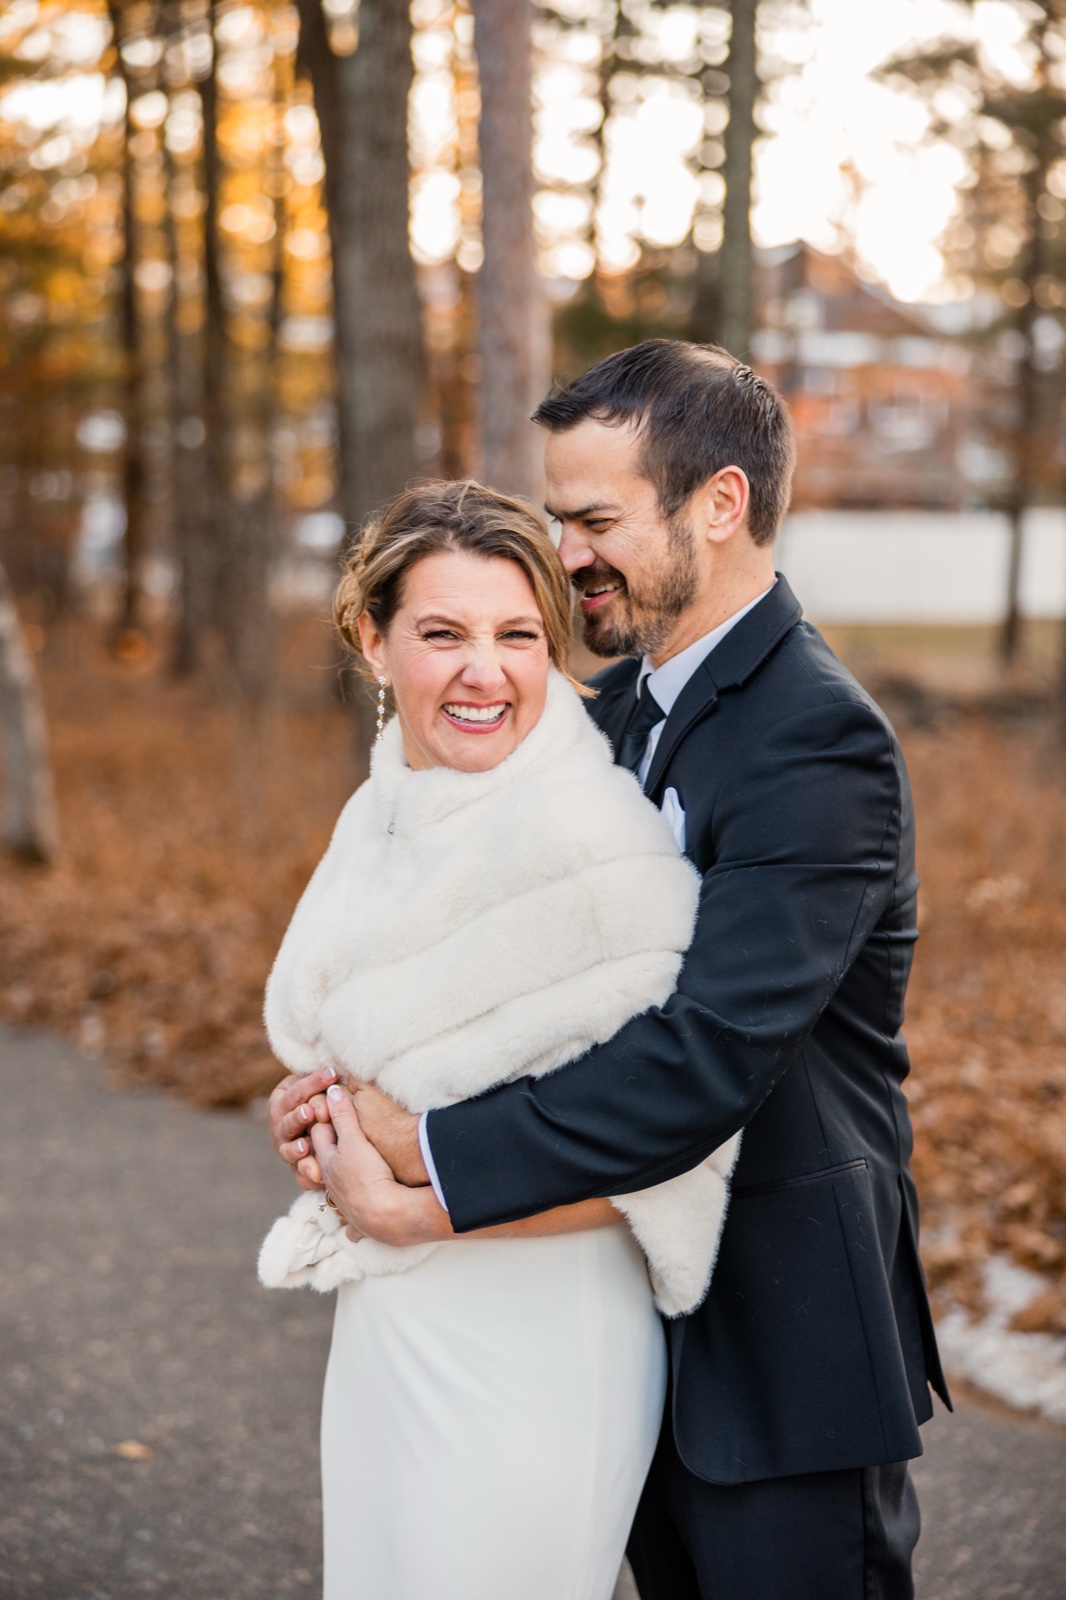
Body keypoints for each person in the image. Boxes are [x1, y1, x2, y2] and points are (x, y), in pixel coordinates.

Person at [271, 340, 950, 1600]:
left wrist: (428, 1159)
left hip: (776, 1331)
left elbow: (708, 1053)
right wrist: (337, 1093)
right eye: (558, 516)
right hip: (611, 1305)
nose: (567, 549)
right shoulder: (616, 705)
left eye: (594, 519)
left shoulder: (817, 740)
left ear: (721, 503)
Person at [260, 477, 743, 1600]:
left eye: (517, 634)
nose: (485, 671)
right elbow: (382, 1044)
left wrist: (410, 1191)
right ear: (374, 643)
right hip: (394, 1323)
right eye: (443, 633)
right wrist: (326, 1113)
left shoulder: (595, 849)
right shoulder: (385, 806)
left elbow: (673, 1153)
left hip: (540, 1338)